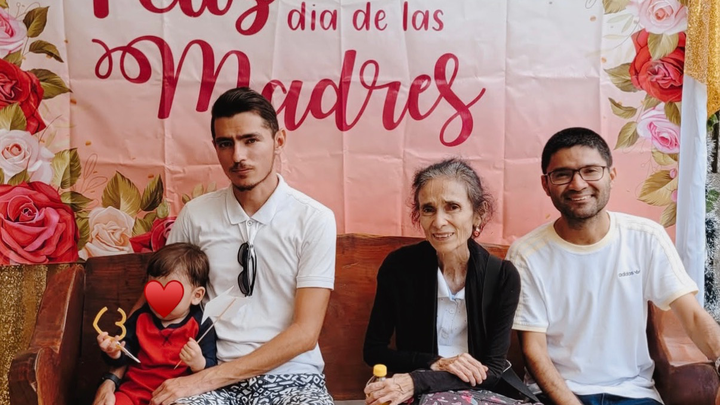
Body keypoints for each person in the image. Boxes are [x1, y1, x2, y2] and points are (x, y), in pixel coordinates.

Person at [94, 87, 337, 405]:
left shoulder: (314, 218)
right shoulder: (196, 214)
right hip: (208, 375)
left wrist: (202, 381)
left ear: (278, 141)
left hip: (292, 378)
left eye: (250, 140)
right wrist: (112, 378)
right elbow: (154, 301)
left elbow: (305, 332)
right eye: (226, 143)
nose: (238, 156)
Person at [509, 127, 720, 405]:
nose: (578, 184)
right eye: (562, 174)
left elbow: (692, 316)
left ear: (611, 175)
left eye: (590, 171)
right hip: (558, 395)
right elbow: (534, 350)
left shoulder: (645, 237)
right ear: (545, 184)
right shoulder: (527, 254)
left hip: (634, 394)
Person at [363, 158, 522, 405]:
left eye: (452, 207)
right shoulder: (399, 268)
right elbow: (374, 351)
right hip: (415, 391)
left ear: (478, 214)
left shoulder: (502, 276)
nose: (438, 222)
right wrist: (433, 363)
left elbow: (492, 371)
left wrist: (418, 380)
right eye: (428, 209)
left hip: (475, 392)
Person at [96, 242, 217, 405]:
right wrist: (114, 353)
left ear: (196, 295)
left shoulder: (201, 324)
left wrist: (199, 363)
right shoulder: (140, 318)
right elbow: (124, 354)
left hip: (174, 396)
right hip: (133, 392)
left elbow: (211, 368)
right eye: (153, 289)